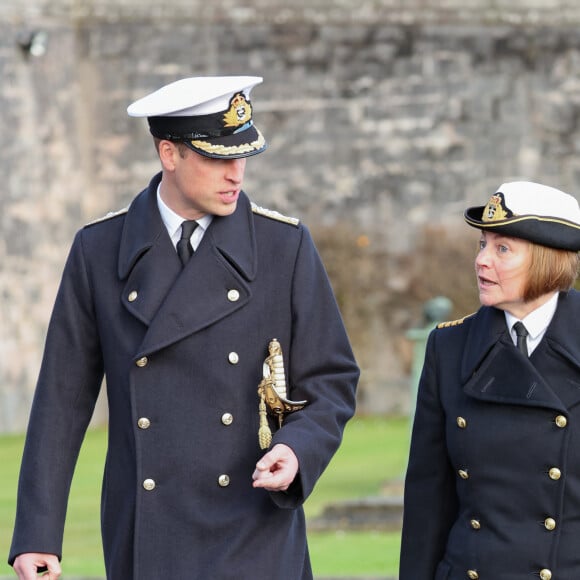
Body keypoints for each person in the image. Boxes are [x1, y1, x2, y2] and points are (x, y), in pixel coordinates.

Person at [9, 75, 359, 580]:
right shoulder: (98, 250)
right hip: (150, 529)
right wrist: (37, 534)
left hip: (254, 524)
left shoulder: (285, 246)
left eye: (243, 157)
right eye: (218, 157)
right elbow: (61, 401)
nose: (236, 174)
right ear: (169, 154)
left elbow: (332, 379)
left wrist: (296, 449)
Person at [399, 181, 580, 580]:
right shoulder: (448, 347)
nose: (482, 261)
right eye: (482, 244)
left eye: (502, 249)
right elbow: (428, 499)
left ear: (547, 260)